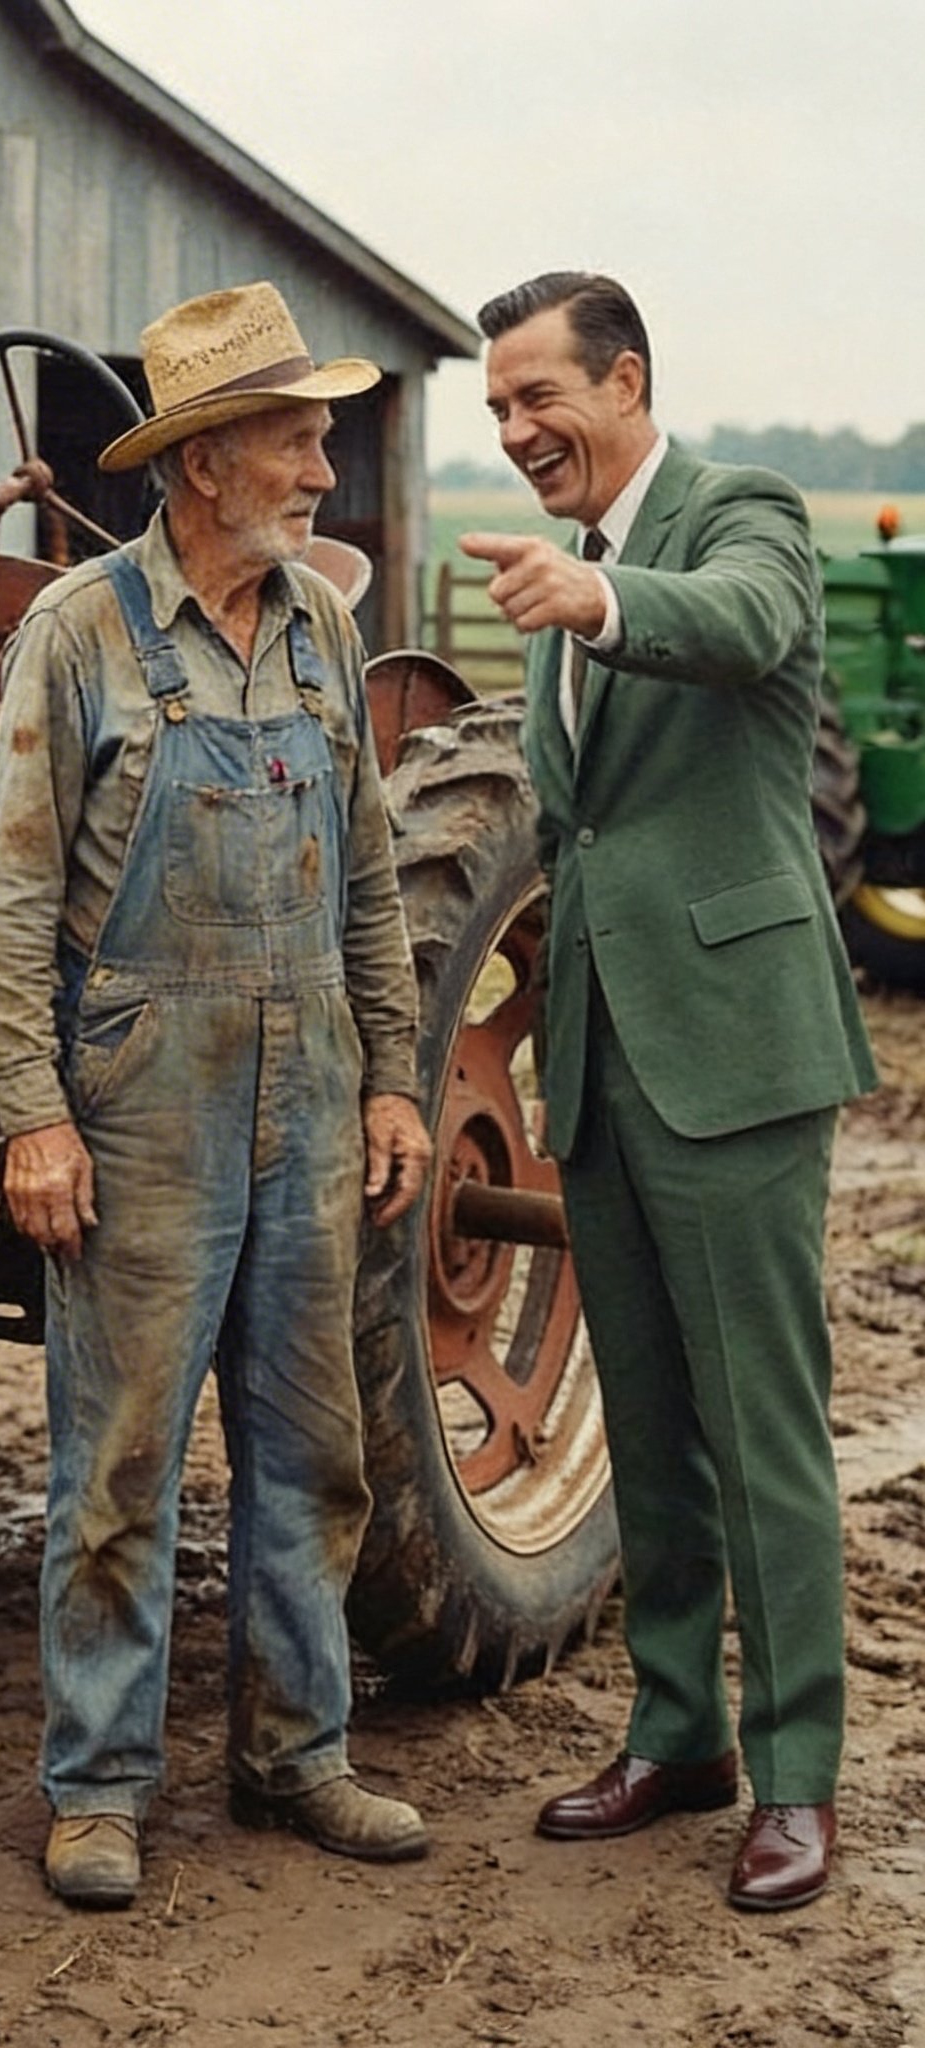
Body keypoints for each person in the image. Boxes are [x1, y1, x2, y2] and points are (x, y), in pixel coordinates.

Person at [0, 282, 434, 1910]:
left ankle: (300, 1753)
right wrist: (31, 1108)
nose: (322, 464)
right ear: (209, 460)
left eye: (318, 434)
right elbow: (10, 900)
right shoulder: (78, 636)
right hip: (142, 1098)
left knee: (316, 1449)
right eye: (298, 436)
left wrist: (387, 1079)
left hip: (308, 1078)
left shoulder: (323, 626)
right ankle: (97, 1786)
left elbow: (368, 873)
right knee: (123, 1464)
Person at [463, 272, 877, 1912]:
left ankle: (795, 1779)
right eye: (494, 412)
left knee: (758, 1424)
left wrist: (604, 604)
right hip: (603, 1059)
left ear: (626, 380)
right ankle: (678, 1733)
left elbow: (755, 625)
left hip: (736, 1047)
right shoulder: (577, 576)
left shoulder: (738, 514)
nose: (514, 434)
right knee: (645, 1419)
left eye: (537, 399)